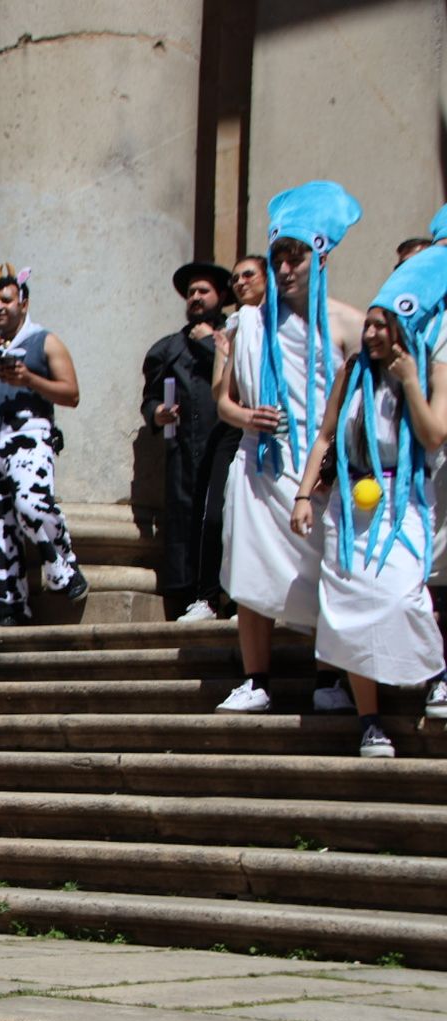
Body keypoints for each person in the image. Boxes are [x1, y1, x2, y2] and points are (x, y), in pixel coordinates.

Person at [212, 180, 365, 714]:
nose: (285, 269)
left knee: (326, 568)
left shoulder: (349, 322)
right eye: (278, 258)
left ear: (318, 256)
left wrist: (335, 461)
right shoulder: (249, 322)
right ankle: (256, 679)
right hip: (261, 462)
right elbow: (224, 400)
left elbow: (355, 405)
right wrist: (245, 415)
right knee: (252, 573)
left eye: (295, 258)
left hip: (320, 467)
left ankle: (331, 677)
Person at [290, 246, 447, 755]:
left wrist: (409, 383)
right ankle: (370, 721)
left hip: (404, 502)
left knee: (405, 595)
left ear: (406, 328)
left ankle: (435, 672)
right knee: (350, 609)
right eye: (370, 324)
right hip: (349, 507)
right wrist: (304, 494)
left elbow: (432, 436)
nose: (373, 332)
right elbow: (324, 436)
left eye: (384, 325)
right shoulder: (350, 372)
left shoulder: (432, 370)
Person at [0, 264, 88, 626]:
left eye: (7, 300)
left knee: (31, 503)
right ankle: (6, 598)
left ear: (23, 304)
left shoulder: (45, 340)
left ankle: (63, 565)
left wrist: (28, 377)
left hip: (29, 430)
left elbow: (71, 394)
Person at [141, 262, 233, 621]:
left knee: (220, 518)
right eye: (191, 292)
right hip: (183, 449)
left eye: (203, 291)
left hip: (224, 443)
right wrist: (157, 412)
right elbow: (149, 398)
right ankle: (188, 595)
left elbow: (239, 374)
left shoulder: (235, 337)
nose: (195, 298)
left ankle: (223, 595)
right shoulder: (168, 349)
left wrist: (211, 343)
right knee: (184, 520)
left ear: (220, 296)